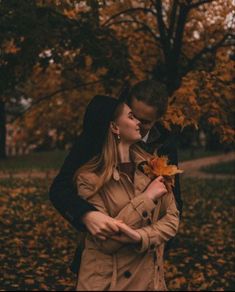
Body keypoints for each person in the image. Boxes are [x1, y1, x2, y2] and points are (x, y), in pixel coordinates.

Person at [49, 80, 183, 273]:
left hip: (144, 262)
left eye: (145, 122)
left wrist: (149, 241)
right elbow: (60, 188)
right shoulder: (98, 137)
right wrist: (85, 214)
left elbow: (174, 205)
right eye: (132, 115)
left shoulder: (164, 146)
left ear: (157, 120)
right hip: (103, 262)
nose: (137, 122)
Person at [74, 95, 179, 290]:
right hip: (108, 283)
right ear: (115, 127)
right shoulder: (88, 179)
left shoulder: (155, 167)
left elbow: (172, 220)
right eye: (131, 117)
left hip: (151, 282)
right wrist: (147, 198)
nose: (138, 121)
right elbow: (106, 243)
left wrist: (141, 237)